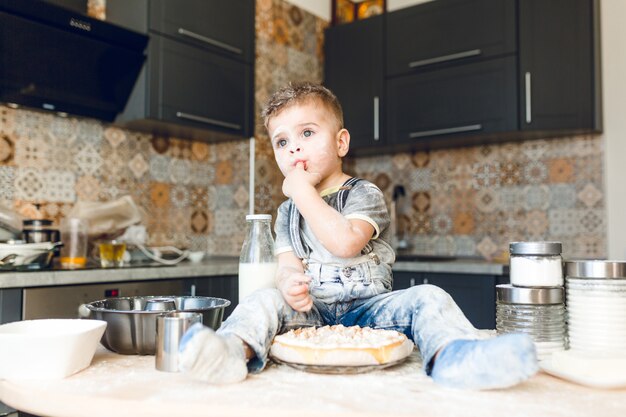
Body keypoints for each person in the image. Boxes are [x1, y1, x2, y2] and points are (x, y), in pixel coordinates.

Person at [179, 82, 538, 389]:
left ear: (341, 142)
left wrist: (302, 193)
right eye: (282, 141)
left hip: (371, 312)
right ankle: (229, 352)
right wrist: (288, 282)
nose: (294, 149)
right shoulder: (287, 212)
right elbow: (286, 264)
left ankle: (454, 357)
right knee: (262, 301)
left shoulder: (364, 194)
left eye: (307, 133)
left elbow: (347, 242)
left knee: (429, 296)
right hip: (313, 314)